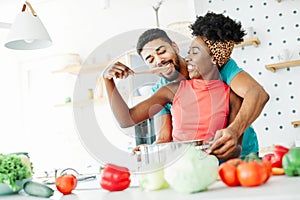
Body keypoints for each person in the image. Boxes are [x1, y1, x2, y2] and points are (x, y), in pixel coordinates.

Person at [104, 12, 269, 159]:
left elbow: (257, 93)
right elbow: (163, 137)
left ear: (175, 47)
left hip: (239, 157)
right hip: (191, 163)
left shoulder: (223, 69)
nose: (158, 60)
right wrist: (154, 150)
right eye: (150, 59)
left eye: (161, 51)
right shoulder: (166, 90)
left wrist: (233, 132)